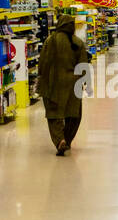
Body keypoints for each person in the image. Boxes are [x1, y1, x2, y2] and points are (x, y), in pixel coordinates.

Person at [36, 13, 90, 155]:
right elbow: (83, 65)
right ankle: (67, 139)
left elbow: (42, 63)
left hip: (52, 82)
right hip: (73, 83)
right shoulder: (77, 42)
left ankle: (60, 140)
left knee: (54, 114)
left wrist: (41, 76)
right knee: (74, 114)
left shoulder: (50, 41)